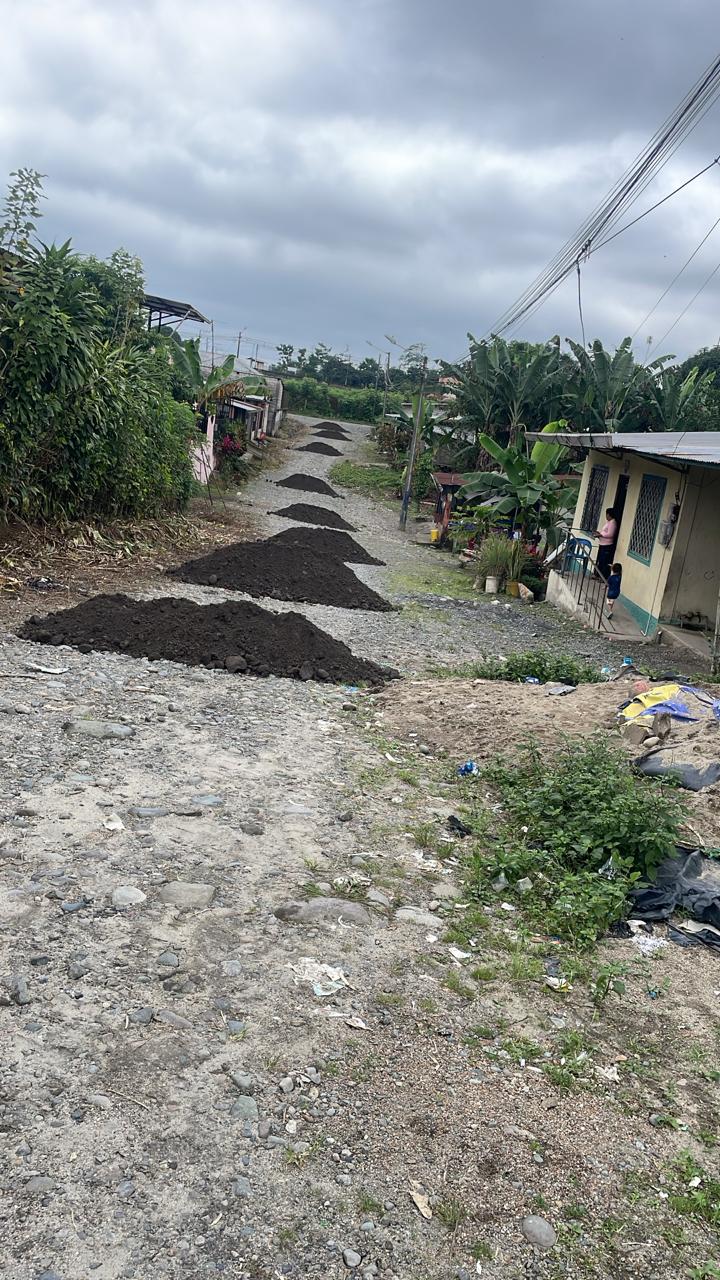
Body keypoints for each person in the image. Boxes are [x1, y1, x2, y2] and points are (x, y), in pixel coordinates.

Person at [594, 507, 618, 578]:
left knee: (605, 561)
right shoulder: (608, 522)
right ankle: (598, 575)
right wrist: (599, 533)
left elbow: (611, 534)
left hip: (607, 545)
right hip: (602, 544)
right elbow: (605, 532)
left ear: (609, 515)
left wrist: (601, 535)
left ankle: (603, 576)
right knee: (600, 560)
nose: (606, 516)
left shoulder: (613, 523)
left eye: (607, 514)